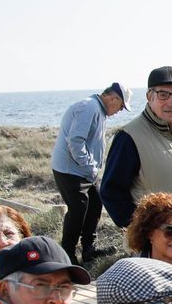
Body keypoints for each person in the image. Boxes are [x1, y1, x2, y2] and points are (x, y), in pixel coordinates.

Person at [99, 65, 172, 237]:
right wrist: (143, 230)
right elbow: (111, 191)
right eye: (163, 95)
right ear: (149, 96)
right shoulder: (130, 136)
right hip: (158, 245)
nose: (171, 102)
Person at [51, 81, 129, 263]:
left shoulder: (98, 110)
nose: (120, 111)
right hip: (70, 169)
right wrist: (90, 168)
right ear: (113, 98)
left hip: (84, 170)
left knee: (95, 203)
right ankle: (67, 254)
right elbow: (76, 141)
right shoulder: (90, 107)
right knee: (78, 209)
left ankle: (89, 250)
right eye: (121, 106)